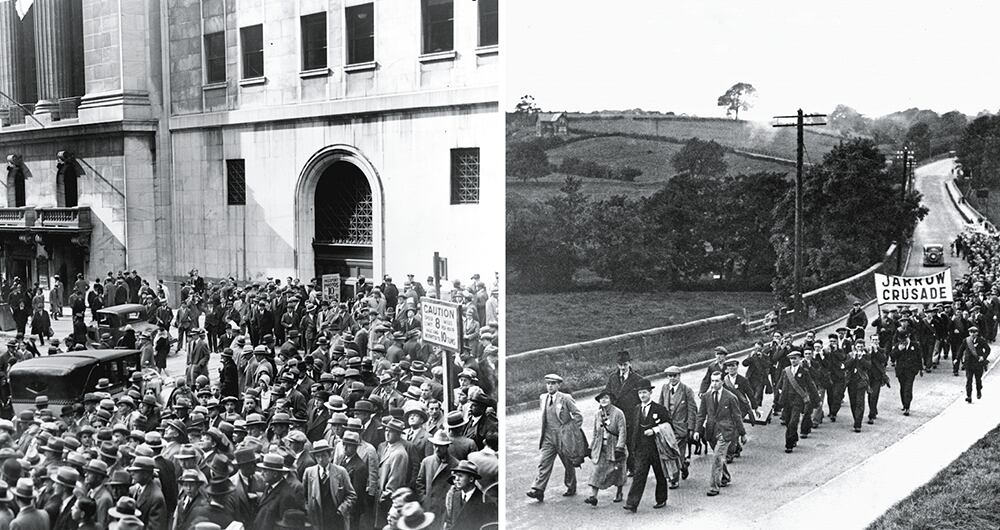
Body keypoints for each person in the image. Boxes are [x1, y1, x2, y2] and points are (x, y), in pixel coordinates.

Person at [526, 373, 584, 503]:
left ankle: (571, 486)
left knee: (568, 463)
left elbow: (578, 416)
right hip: (548, 437)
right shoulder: (543, 398)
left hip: (563, 436)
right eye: (548, 383)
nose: (550, 386)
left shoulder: (565, 398)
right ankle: (538, 489)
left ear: (559, 385)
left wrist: (571, 431)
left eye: (553, 383)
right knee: (544, 462)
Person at [622, 378, 671, 513]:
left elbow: (668, 425)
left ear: (650, 393)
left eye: (644, 392)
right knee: (639, 475)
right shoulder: (636, 409)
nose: (642, 396)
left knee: (659, 474)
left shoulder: (659, 409)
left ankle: (661, 499)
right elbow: (633, 429)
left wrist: (655, 430)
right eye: (640, 393)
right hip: (641, 449)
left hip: (656, 448)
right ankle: (632, 503)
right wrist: (632, 448)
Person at [695, 372, 746, 496]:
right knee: (719, 457)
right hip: (711, 432)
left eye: (717, 381)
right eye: (712, 381)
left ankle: (714, 487)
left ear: (722, 382)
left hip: (726, 432)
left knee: (717, 457)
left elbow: (737, 416)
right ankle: (725, 477)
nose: (714, 384)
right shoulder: (706, 396)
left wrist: (742, 433)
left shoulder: (730, 397)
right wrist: (697, 430)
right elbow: (701, 415)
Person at [602, 350, 643, 474]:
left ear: (630, 364)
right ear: (617, 365)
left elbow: (641, 399)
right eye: (620, 365)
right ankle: (620, 468)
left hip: (631, 416)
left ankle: (632, 467)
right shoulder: (612, 378)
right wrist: (604, 411)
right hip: (616, 416)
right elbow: (606, 394)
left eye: (625, 364)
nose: (622, 367)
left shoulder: (637, 379)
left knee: (631, 442)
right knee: (616, 442)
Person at [583, 390, 627, 507]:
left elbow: (622, 431)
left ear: (611, 400)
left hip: (615, 446)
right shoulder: (597, 414)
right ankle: (593, 496)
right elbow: (595, 432)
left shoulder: (618, 413)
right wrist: (590, 447)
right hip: (601, 447)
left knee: (617, 470)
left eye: (606, 398)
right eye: (601, 398)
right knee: (596, 470)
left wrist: (620, 448)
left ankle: (619, 492)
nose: (603, 400)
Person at [303, 439, 356, 530]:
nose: (321, 459)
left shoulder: (341, 472)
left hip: (336, 519)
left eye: (324, 456)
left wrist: (342, 509)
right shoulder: (309, 472)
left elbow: (351, 495)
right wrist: (308, 509)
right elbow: (303, 496)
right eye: (318, 456)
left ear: (330, 456)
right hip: (316, 519)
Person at [658, 365, 697, 487]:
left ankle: (674, 479)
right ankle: (683, 466)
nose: (672, 378)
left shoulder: (686, 390)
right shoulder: (664, 388)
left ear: (679, 376)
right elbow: (660, 406)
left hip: (681, 428)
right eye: (670, 376)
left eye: (675, 376)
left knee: (677, 453)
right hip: (667, 428)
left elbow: (692, 410)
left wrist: (691, 428)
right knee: (669, 452)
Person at [776, 351, 819, 453]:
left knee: (793, 421)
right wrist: (776, 400)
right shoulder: (785, 371)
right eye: (791, 359)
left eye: (795, 358)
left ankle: (789, 445)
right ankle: (794, 437)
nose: (793, 360)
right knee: (787, 421)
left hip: (798, 401)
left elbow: (811, 386)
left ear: (799, 359)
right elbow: (779, 385)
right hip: (786, 400)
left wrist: (816, 400)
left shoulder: (804, 371)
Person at [890, 330, 922, 416]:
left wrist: (920, 369)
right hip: (901, 371)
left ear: (908, 337)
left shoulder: (915, 345)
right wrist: (899, 350)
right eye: (902, 340)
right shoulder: (898, 346)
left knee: (908, 388)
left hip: (911, 371)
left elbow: (919, 357)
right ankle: (904, 403)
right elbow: (892, 356)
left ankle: (907, 407)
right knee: (903, 388)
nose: (904, 342)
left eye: (905, 339)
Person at [844, 342, 872, 433]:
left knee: (860, 402)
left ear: (863, 347)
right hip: (851, 382)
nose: (859, 348)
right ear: (855, 347)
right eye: (858, 346)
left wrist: (861, 359)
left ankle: (858, 423)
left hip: (861, 382)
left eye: (861, 347)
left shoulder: (866, 356)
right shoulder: (850, 355)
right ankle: (856, 418)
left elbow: (869, 366)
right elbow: (846, 365)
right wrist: (853, 358)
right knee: (853, 402)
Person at [960, 326, 990, 403]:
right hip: (969, 363)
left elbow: (987, 349)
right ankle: (969, 396)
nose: (973, 334)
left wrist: (983, 357)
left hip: (978, 363)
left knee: (978, 379)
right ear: (969, 333)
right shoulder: (966, 340)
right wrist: (957, 359)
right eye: (971, 332)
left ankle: (979, 390)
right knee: (969, 380)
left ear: (977, 333)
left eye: (974, 332)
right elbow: (961, 350)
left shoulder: (981, 340)